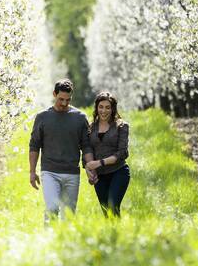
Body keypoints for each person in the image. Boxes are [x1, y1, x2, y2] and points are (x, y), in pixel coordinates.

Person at [29, 79, 96, 222]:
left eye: (68, 99)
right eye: (61, 99)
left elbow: (86, 146)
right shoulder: (43, 117)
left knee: (69, 216)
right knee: (52, 208)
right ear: (54, 94)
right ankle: (48, 240)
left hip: (72, 173)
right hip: (50, 172)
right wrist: (32, 171)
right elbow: (34, 145)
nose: (64, 103)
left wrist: (91, 168)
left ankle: (64, 243)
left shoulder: (80, 117)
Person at [84, 91, 130, 217]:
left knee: (112, 206)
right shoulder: (90, 127)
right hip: (100, 176)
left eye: (108, 107)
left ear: (113, 109)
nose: (104, 111)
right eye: (101, 107)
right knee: (106, 212)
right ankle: (111, 236)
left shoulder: (122, 126)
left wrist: (99, 162)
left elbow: (122, 152)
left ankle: (119, 235)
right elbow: (87, 150)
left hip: (119, 172)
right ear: (96, 108)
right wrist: (89, 171)